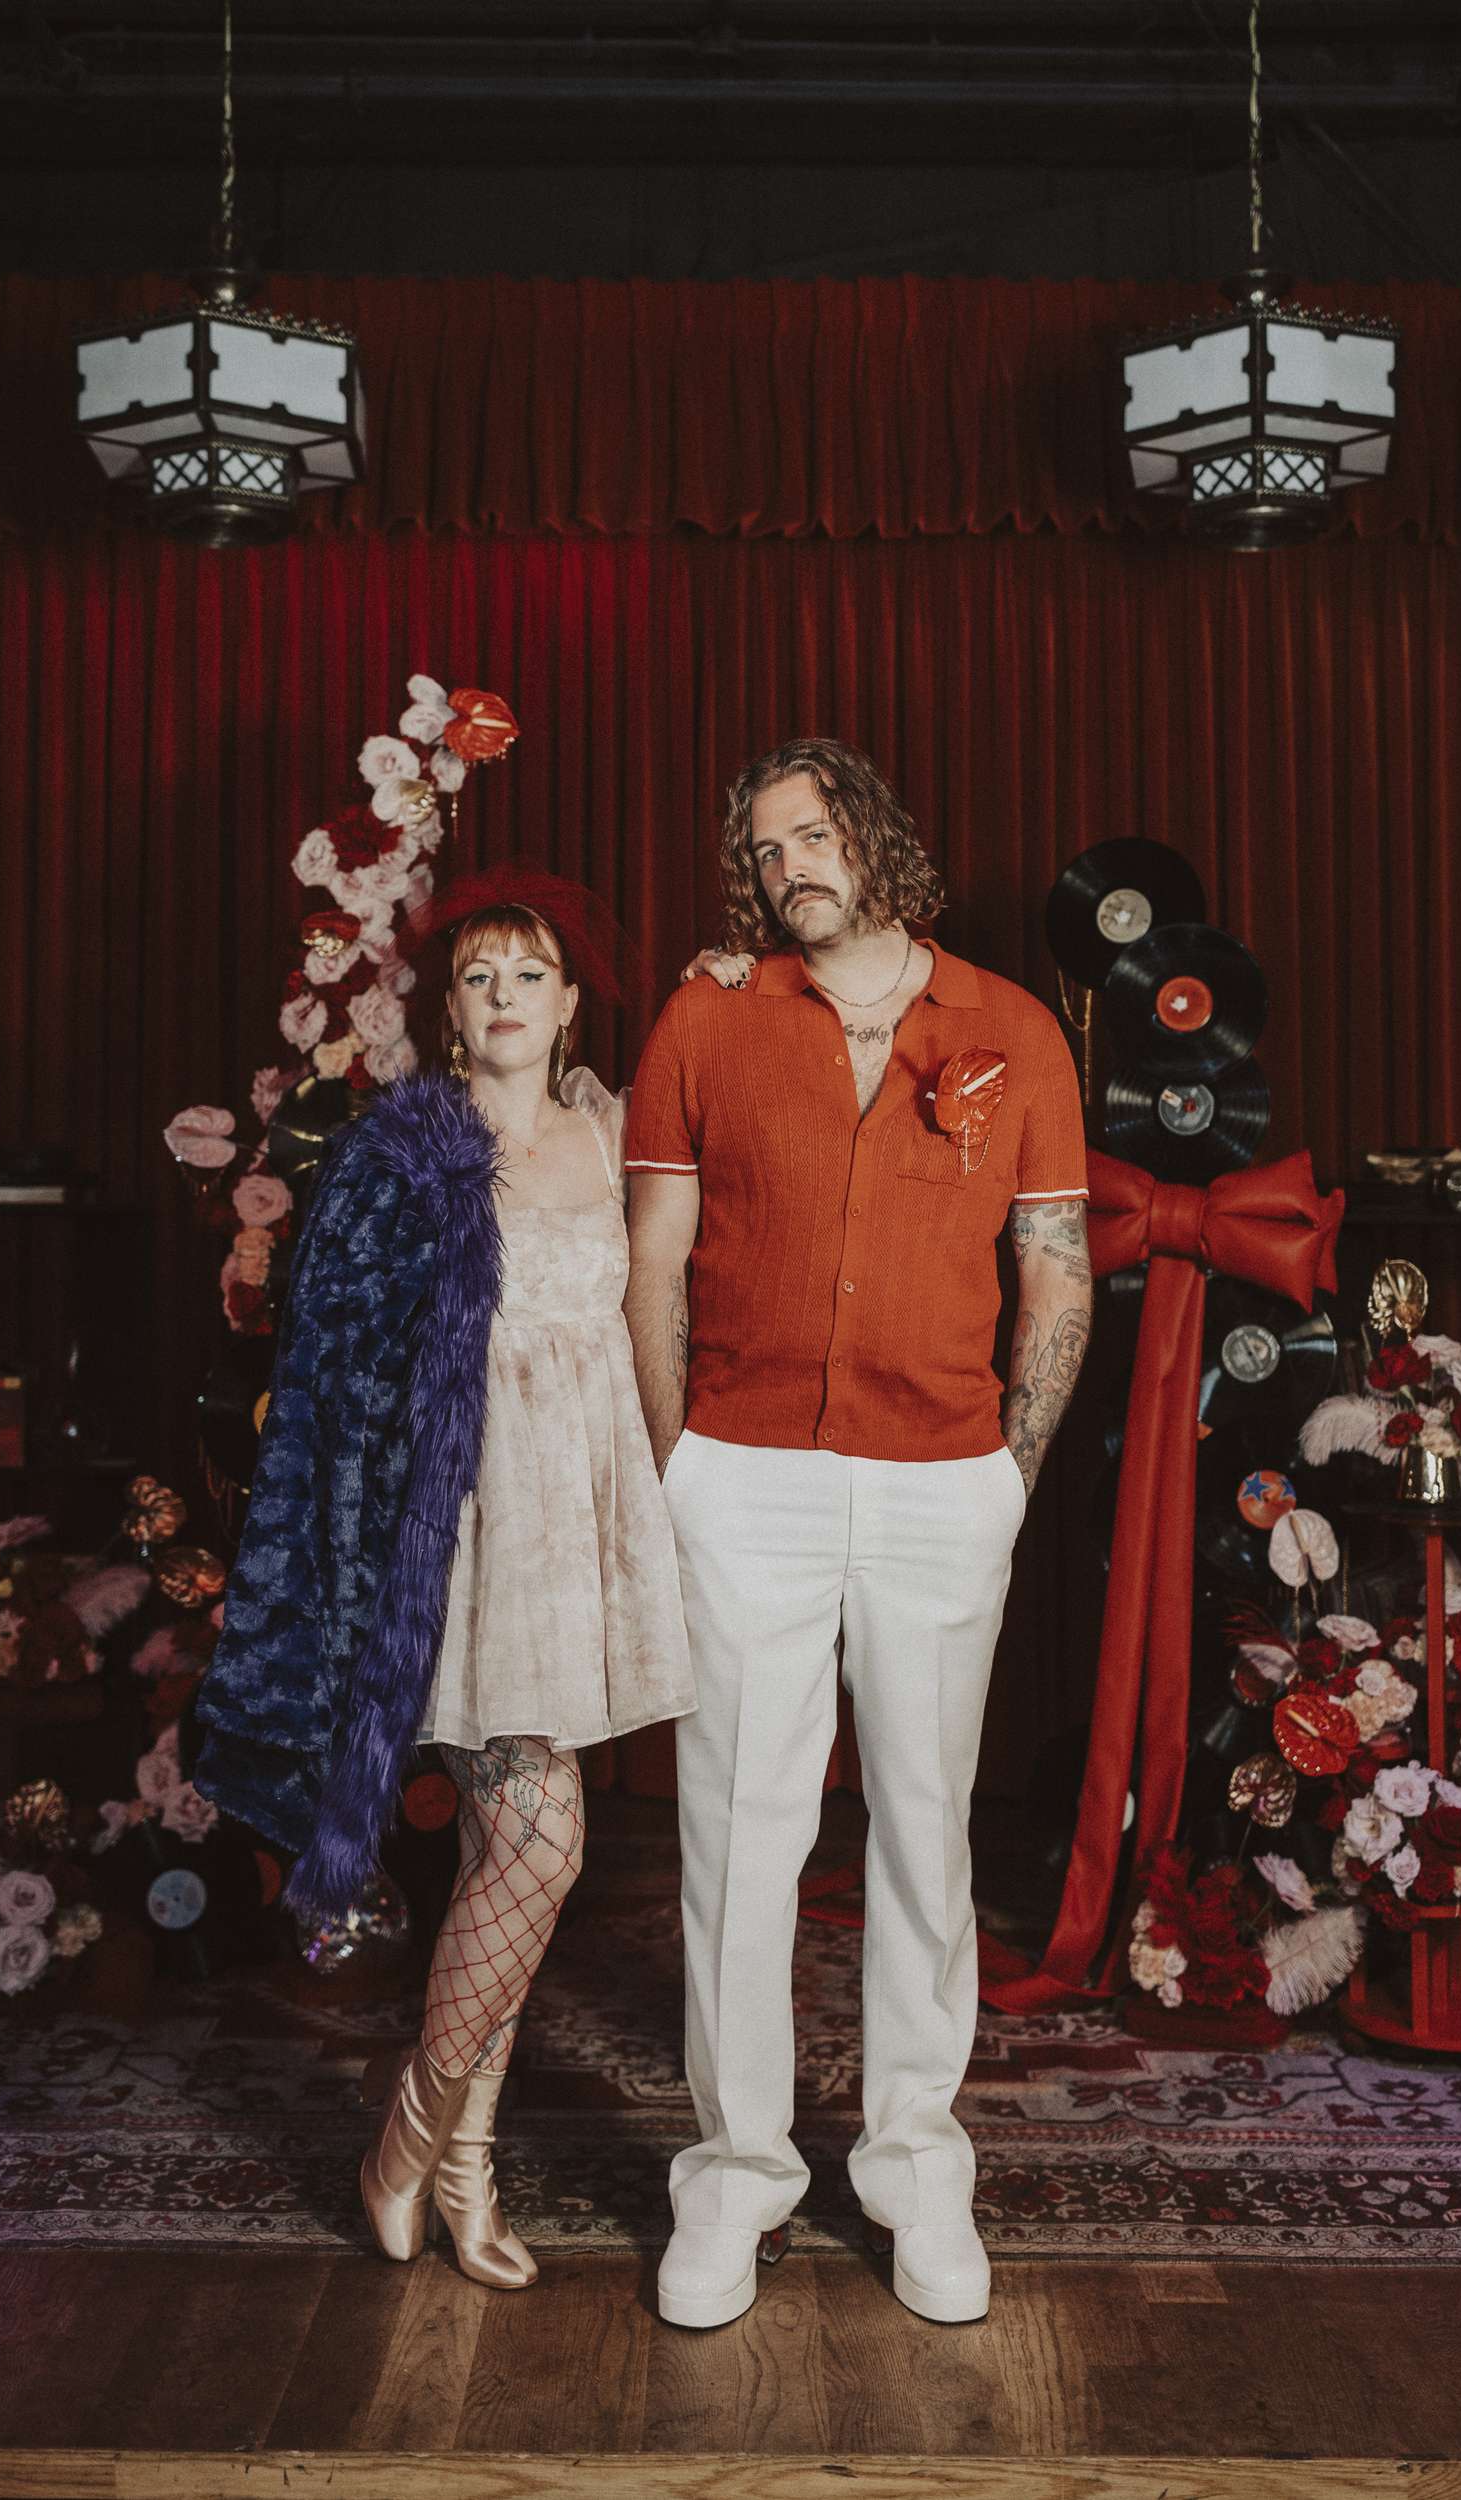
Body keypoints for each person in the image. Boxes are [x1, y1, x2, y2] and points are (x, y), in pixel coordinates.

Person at [623, 738, 1093, 2330]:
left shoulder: (1015, 1031)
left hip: (944, 1477)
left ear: (876, 839)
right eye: (763, 849)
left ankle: (914, 2171)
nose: (787, 866)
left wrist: (1011, 1472)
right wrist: (677, 1461)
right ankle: (735, 2177)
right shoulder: (705, 1018)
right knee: (736, 1838)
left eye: (812, 834)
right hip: (741, 1472)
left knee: (924, 1833)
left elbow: (1057, 1265)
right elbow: (654, 1252)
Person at [197, 863, 708, 2292]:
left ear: (569, 1001)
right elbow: (333, 1353)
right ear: (449, 1010)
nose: (502, 998)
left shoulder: (613, 1131)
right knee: (544, 1846)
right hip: (466, 1530)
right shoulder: (405, 1150)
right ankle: (412, 2134)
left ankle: (467, 2173)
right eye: (478, 977)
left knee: (505, 1862)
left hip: (583, 1519)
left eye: (528, 975)